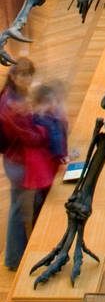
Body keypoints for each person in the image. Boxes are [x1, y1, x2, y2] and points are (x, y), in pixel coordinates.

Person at [0, 58, 42, 269]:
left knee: (28, 206)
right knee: (19, 210)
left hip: (21, 160)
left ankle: (31, 248)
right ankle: (14, 259)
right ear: (13, 76)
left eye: (29, 74)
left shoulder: (17, 96)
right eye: (23, 75)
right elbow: (30, 137)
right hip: (18, 163)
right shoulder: (11, 105)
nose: (27, 78)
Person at [25, 82, 68, 225]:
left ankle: (37, 222)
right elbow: (56, 141)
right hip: (46, 164)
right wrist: (63, 159)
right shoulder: (47, 119)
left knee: (42, 194)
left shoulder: (38, 117)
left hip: (43, 164)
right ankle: (39, 223)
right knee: (44, 196)